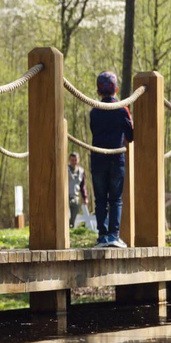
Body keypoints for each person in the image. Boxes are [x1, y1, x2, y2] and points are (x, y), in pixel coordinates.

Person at [90, 71, 133, 248]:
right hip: (116, 158)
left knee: (100, 199)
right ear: (116, 89)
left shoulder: (94, 111)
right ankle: (113, 235)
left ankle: (102, 235)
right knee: (115, 199)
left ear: (99, 91)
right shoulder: (122, 110)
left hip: (98, 158)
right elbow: (131, 136)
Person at [68, 152, 89, 228]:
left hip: (75, 197)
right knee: (67, 215)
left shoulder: (81, 171)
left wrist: (85, 197)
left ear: (78, 160)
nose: (74, 162)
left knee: (73, 217)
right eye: (72, 160)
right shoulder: (65, 170)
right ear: (69, 160)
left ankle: (71, 231)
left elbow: (82, 186)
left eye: (75, 160)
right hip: (66, 197)